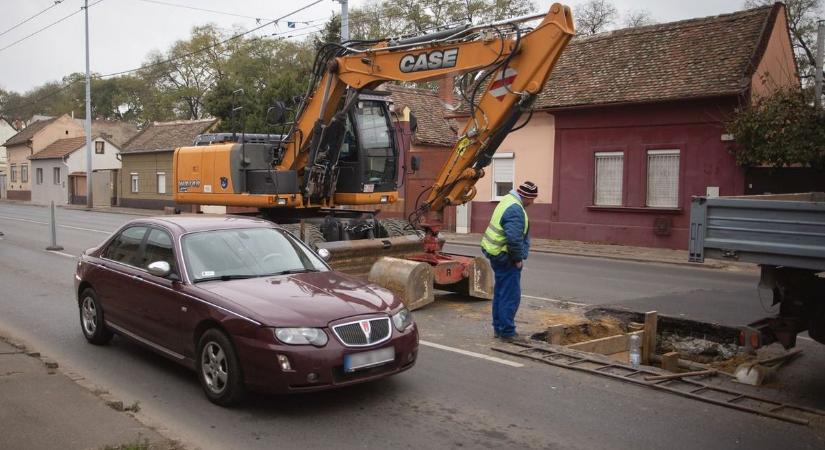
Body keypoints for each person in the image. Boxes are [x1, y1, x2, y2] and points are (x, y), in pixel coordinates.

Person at [481, 181, 537, 341]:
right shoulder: (515, 209)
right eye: (531, 199)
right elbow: (514, 239)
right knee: (510, 295)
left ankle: (498, 328)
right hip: (505, 257)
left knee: (500, 292)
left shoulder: (507, 200)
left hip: (495, 253)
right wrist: (517, 259)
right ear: (525, 196)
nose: (532, 203)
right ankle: (507, 332)